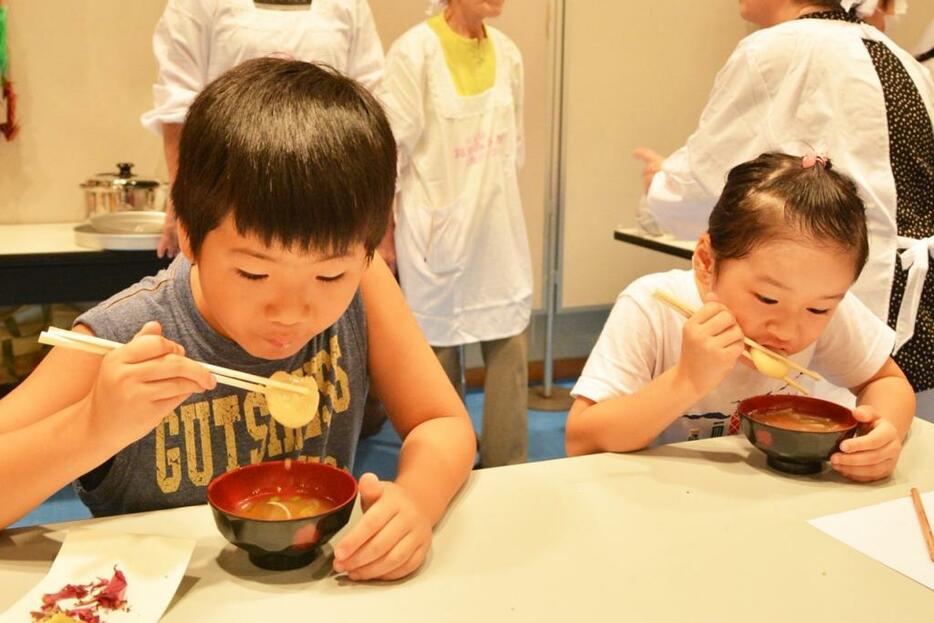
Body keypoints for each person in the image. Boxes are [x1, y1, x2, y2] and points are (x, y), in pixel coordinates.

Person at [0, 59, 476, 582]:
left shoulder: (364, 285)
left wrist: (415, 501)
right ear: (187, 234)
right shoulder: (120, 337)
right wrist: (93, 425)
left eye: (328, 276)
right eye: (253, 273)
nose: (292, 311)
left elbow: (443, 422)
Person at [633, 0, 934, 416]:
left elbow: (709, 185)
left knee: (820, 436)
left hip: (838, 300)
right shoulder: (899, 56)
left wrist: (660, 185)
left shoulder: (777, 50)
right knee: (885, 434)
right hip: (913, 313)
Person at [566, 153, 915, 483]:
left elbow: (886, 382)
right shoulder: (653, 307)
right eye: (767, 298)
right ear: (706, 261)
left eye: (818, 309)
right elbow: (583, 441)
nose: (788, 330)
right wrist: (687, 380)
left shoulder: (823, 307)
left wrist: (884, 434)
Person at [384, 0, 532, 467]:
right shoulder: (414, 52)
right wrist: (382, 229)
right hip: (435, 227)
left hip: (497, 228)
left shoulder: (508, 53)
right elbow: (391, 151)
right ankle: (448, 461)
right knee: (438, 355)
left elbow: (516, 147)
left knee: (509, 340)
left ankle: (508, 466)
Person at [141, 0, 389, 260]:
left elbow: (370, 106)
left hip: (330, 197)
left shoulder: (350, 5)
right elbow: (177, 105)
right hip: (229, 190)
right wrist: (180, 202)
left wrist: (380, 216)